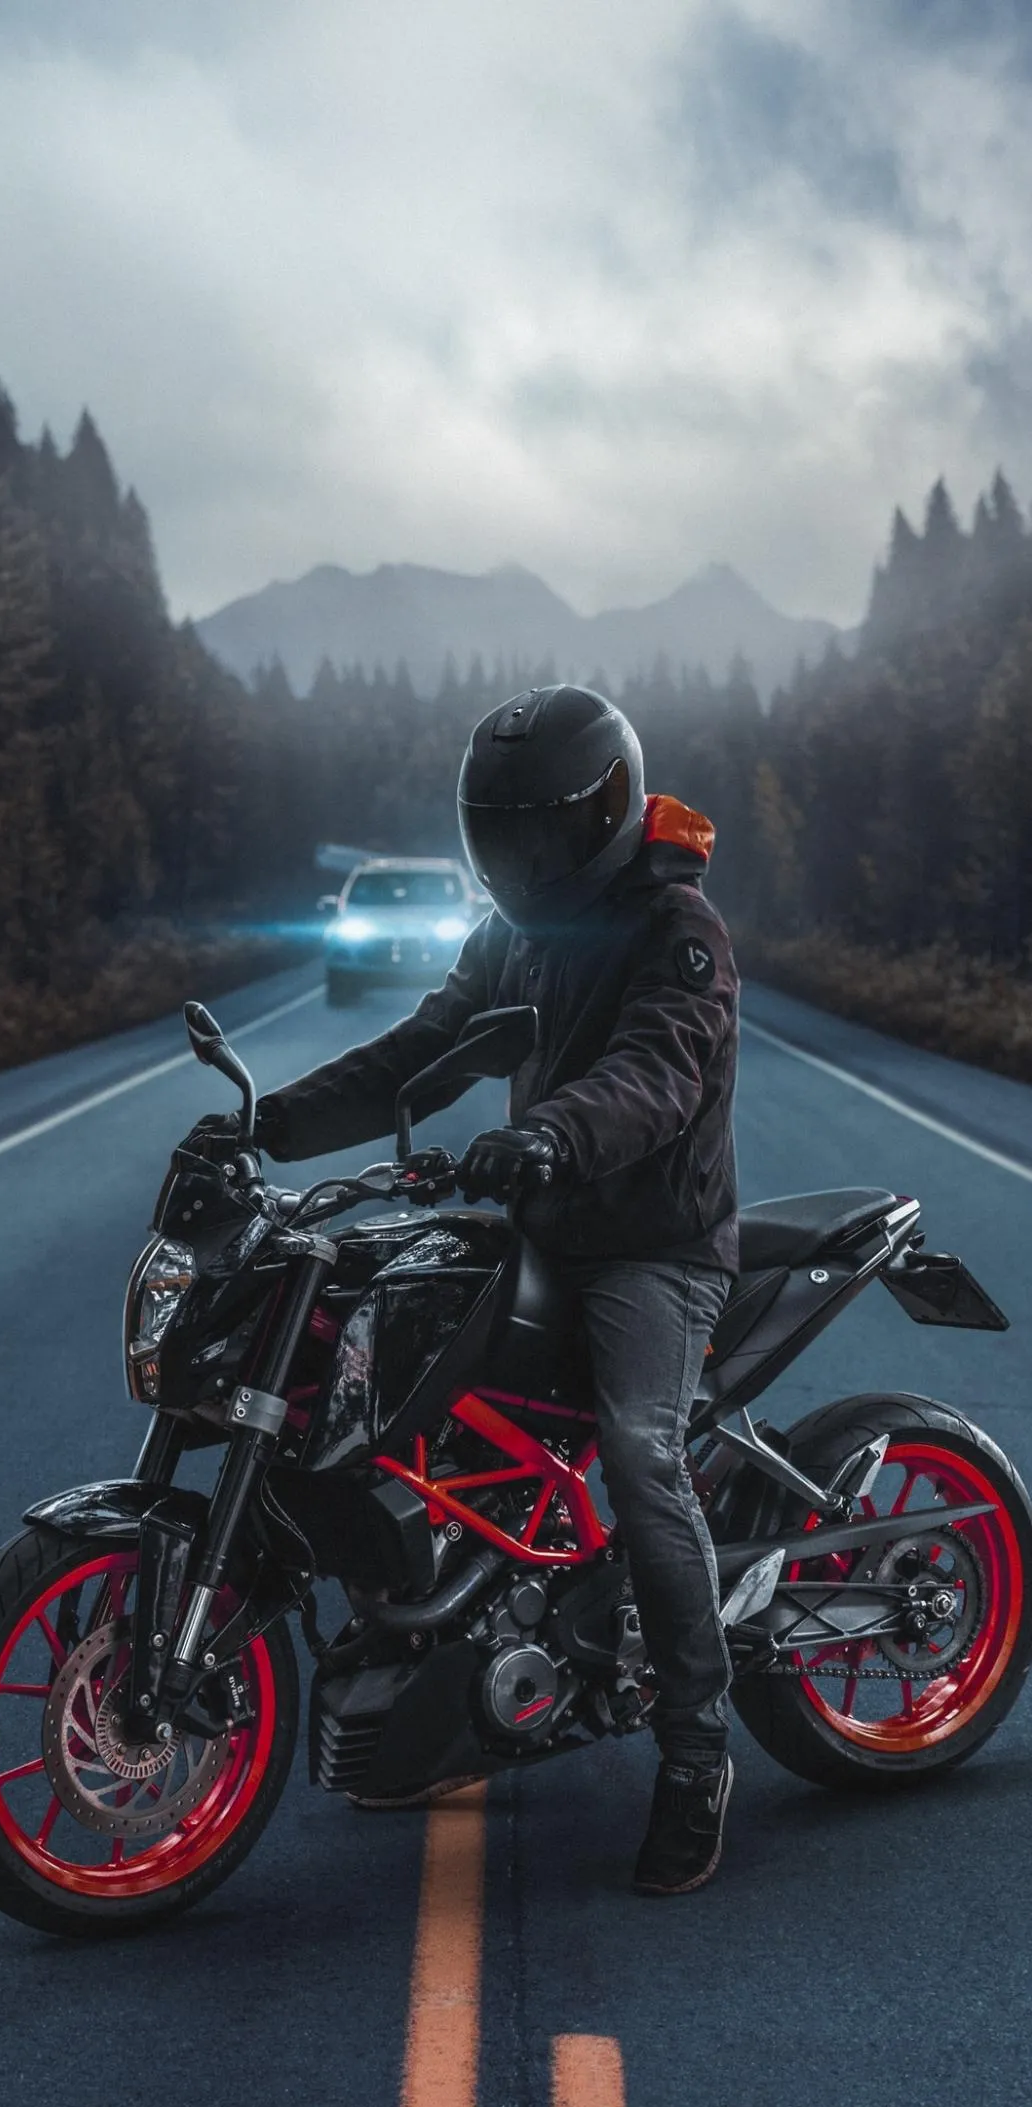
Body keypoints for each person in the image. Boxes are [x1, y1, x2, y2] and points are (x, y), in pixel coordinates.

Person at [254, 685, 740, 1895]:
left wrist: (551, 1133)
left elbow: (657, 1074)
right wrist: (268, 1127)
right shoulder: (512, 937)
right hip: (541, 1225)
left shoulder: (677, 930)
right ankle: (428, 1682)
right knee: (385, 1387)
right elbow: (418, 1049)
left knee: (641, 1455)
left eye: (546, 835)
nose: (524, 862)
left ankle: (697, 1754)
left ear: (609, 812)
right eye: (504, 837)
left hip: (653, 1249)